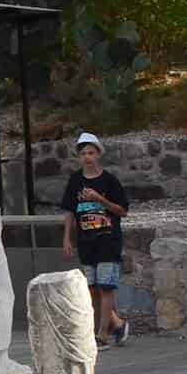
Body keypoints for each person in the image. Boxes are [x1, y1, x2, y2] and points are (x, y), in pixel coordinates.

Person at [58, 131, 131, 346]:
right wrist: (67, 238)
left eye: (91, 152)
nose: (87, 157)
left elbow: (122, 210)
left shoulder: (109, 180)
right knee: (92, 287)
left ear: (99, 154)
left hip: (108, 239)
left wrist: (100, 199)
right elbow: (70, 211)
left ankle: (101, 334)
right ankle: (116, 323)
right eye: (83, 153)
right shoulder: (75, 181)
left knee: (106, 286)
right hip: (86, 240)